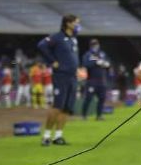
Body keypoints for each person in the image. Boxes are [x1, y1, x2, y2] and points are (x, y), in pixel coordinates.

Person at [37, 14, 81, 146]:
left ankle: (58, 136)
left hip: (72, 76)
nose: (78, 26)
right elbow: (41, 45)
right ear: (68, 23)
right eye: (76, 23)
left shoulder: (73, 39)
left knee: (67, 108)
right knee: (57, 106)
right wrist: (52, 61)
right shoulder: (57, 37)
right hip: (61, 76)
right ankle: (46, 136)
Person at [80, 39, 111, 120]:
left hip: (102, 80)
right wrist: (95, 62)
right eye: (94, 44)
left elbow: (107, 62)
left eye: (97, 44)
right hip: (91, 80)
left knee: (102, 98)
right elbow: (85, 64)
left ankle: (99, 115)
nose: (96, 46)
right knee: (88, 98)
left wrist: (106, 64)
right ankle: (84, 115)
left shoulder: (102, 53)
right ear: (91, 45)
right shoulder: (88, 54)